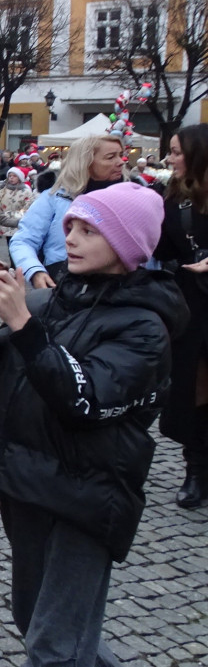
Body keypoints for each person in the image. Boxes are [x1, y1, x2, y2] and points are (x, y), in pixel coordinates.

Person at [0, 182, 185, 667]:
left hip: (86, 495)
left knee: (56, 645)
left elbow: (85, 401)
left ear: (127, 244)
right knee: (35, 619)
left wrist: (23, 327)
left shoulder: (145, 323)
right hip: (25, 483)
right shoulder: (51, 300)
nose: (73, 239)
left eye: (90, 230)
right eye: (71, 228)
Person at [154, 124, 208, 508]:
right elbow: (160, 246)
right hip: (191, 307)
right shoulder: (173, 197)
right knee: (192, 390)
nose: (169, 158)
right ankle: (196, 469)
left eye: (176, 151)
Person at [10, 133, 125, 288]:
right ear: (85, 162)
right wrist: (34, 270)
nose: (120, 162)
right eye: (111, 157)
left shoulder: (130, 197)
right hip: (63, 285)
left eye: (121, 155)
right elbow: (23, 240)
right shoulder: (55, 197)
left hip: (119, 289)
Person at [0, 166, 34, 244]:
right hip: (6, 221)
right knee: (9, 243)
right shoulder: (3, 191)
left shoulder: (26, 191)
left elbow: (28, 206)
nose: (11, 178)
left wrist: (20, 215)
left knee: (18, 243)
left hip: (19, 221)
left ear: (19, 177)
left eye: (14, 176)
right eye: (10, 176)